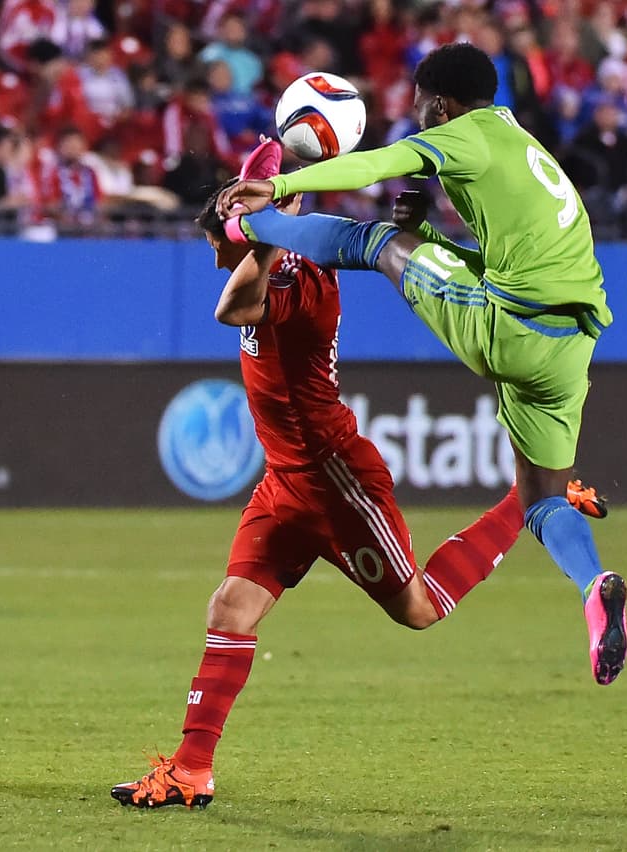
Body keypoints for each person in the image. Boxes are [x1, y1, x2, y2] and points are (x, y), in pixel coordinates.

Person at [110, 140, 526, 810]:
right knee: (231, 608)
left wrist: (270, 217)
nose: (217, 244)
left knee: (417, 610)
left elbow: (233, 309)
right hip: (285, 480)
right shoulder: (271, 265)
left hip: (336, 483)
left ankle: (530, 499)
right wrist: (270, 206)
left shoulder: (295, 281)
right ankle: (191, 770)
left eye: (227, 229)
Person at [216, 43, 627, 687]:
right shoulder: (519, 142)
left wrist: (279, 189)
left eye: (417, 104)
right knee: (542, 499)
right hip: (572, 346)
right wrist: (431, 238)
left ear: (438, 102)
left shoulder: (463, 133)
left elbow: (377, 164)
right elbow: (501, 257)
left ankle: (259, 227)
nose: (416, 115)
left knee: (371, 241)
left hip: (512, 326)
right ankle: (592, 585)